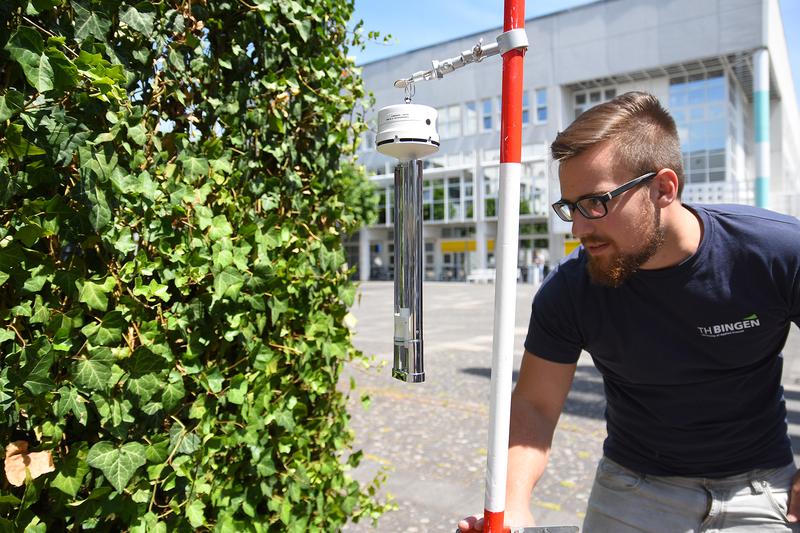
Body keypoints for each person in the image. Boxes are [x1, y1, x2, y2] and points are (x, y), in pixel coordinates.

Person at [459, 91, 800, 532]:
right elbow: (535, 407)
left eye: (595, 202)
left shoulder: (775, 252)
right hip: (633, 488)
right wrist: (509, 507)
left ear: (663, 188)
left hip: (763, 491)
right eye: (570, 207)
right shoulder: (568, 291)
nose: (579, 228)